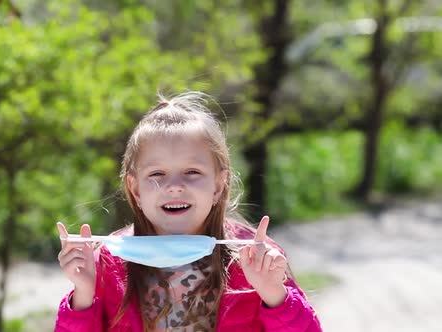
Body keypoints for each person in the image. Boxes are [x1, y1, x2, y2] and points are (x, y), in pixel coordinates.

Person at [54, 92, 322, 331]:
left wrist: (275, 294)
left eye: (192, 172)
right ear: (135, 189)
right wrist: (83, 295)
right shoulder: (108, 263)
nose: (174, 187)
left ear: (218, 185)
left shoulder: (253, 257)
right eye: (157, 173)